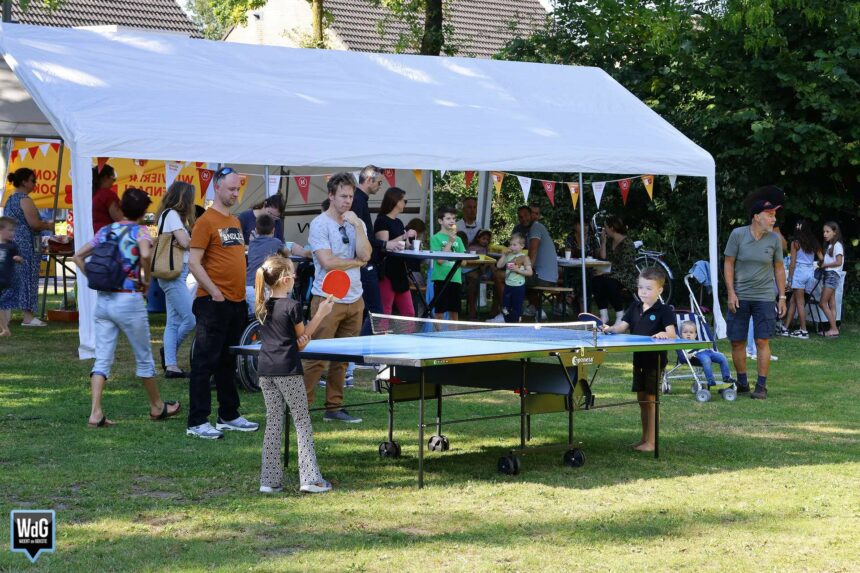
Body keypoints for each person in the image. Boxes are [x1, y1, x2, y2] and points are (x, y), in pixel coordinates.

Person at [71, 188, 181, 427]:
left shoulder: (106, 230)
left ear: (120, 207)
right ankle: (156, 407)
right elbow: (144, 253)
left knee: (102, 359)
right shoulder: (140, 231)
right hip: (129, 302)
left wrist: (92, 276)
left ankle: (96, 412)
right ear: (143, 212)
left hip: (103, 301)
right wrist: (145, 278)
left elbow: (77, 256)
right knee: (144, 358)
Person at [187, 166, 259, 439]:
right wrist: (214, 291)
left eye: (237, 188)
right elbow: (194, 262)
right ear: (216, 187)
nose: (235, 193)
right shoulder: (205, 222)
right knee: (205, 361)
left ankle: (228, 413)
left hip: (236, 301)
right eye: (230, 188)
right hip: (213, 302)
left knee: (228, 361)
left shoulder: (235, 222)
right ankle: (197, 420)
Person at [254, 254, 335, 494]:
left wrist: (300, 340)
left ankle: (269, 481)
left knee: (273, 423)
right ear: (286, 279)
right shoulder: (292, 306)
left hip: (265, 370)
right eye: (293, 272)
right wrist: (321, 313)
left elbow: (296, 341)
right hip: (288, 370)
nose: (296, 276)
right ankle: (310, 479)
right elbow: (304, 339)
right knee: (301, 421)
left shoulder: (261, 305)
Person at [302, 172, 372, 423]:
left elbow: (367, 254)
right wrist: (355, 262)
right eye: (342, 196)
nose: (347, 201)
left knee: (343, 359)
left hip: (355, 298)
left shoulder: (357, 222)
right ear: (331, 195)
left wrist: (357, 226)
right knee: (316, 357)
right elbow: (327, 262)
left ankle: (334, 407)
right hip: (327, 299)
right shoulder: (320, 224)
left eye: (351, 196)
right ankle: (304, 408)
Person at [604, 267, 676, 452]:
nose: (643, 291)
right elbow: (622, 327)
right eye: (641, 287)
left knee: (651, 401)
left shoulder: (664, 310)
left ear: (659, 290)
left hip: (655, 361)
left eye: (648, 288)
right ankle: (644, 439)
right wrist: (609, 328)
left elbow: (672, 333)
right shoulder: (634, 307)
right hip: (639, 360)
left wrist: (662, 334)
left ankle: (651, 443)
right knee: (642, 401)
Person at [724, 199, 786, 400]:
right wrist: (731, 292)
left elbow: (779, 267)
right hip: (740, 296)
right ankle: (742, 383)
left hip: (765, 297)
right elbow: (728, 263)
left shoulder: (774, 239)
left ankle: (761, 386)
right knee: (737, 341)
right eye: (769, 215)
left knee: (761, 340)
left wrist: (782, 296)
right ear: (756, 216)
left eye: (774, 215)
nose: (773, 219)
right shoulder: (738, 234)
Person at [0, 168, 54, 327]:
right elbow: (35, 224)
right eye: (32, 180)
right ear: (24, 181)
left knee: (12, 278)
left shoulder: (10, 199)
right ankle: (28, 316)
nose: (34, 184)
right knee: (28, 277)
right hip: (25, 244)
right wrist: (48, 225)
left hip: (13, 242)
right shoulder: (25, 199)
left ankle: (6, 316)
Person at [154, 181, 197, 378]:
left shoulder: (170, 216)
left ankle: (171, 365)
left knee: (173, 322)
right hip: (174, 274)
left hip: (176, 274)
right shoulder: (171, 215)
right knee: (191, 317)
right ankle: (168, 353)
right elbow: (185, 242)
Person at [352, 165, 400, 336]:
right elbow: (359, 235)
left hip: (364, 261)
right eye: (379, 182)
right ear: (369, 179)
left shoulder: (360, 199)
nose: (380, 186)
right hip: (364, 263)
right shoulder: (357, 200)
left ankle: (360, 351)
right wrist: (384, 245)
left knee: (369, 311)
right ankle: (362, 350)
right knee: (376, 312)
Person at [374, 187, 418, 317]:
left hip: (400, 270)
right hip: (387, 270)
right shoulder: (382, 220)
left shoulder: (398, 222)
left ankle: (405, 337)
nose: (405, 203)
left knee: (409, 312)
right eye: (404, 200)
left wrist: (411, 242)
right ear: (396, 201)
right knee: (385, 311)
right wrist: (404, 237)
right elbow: (384, 245)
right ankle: (381, 336)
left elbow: (402, 245)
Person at [777, 220, 821, 339]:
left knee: (800, 303)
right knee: (793, 301)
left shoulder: (795, 243)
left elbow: (792, 264)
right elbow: (821, 258)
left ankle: (803, 330)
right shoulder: (814, 242)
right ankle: (785, 328)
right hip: (810, 273)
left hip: (799, 273)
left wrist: (790, 280)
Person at [592, 215, 638, 326]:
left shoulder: (627, 243)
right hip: (611, 273)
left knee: (610, 282)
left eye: (605, 227)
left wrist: (606, 272)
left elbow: (626, 265)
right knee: (596, 280)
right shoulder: (609, 241)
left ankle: (620, 315)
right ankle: (604, 315)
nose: (604, 229)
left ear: (612, 228)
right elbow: (603, 258)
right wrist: (603, 242)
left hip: (626, 275)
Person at [245, 213, 289, 313]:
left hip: (248, 286)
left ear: (256, 230)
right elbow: (287, 252)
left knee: (254, 318)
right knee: (267, 317)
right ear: (273, 230)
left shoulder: (252, 244)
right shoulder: (276, 242)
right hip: (263, 287)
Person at [429, 205, 466, 320]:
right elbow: (439, 260)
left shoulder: (458, 239)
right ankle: (437, 336)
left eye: (454, 219)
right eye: (448, 218)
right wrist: (450, 242)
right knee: (439, 312)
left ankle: (452, 337)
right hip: (441, 279)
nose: (452, 221)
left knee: (454, 313)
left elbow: (464, 262)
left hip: (455, 279)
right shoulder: (435, 238)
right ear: (440, 221)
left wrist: (457, 253)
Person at [679, 320, 736, 387]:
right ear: (681, 334)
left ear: (695, 335)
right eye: (685, 332)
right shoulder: (681, 343)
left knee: (722, 357)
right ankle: (710, 380)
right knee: (706, 360)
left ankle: (726, 377)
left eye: (691, 332)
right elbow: (683, 354)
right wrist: (687, 355)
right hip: (698, 355)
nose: (688, 334)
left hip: (708, 351)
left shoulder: (697, 341)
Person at [491, 233, 533, 323]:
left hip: (518, 286)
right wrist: (504, 255)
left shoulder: (524, 258)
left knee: (516, 308)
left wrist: (518, 270)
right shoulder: (508, 256)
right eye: (510, 244)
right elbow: (498, 265)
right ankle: (507, 322)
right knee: (505, 307)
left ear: (522, 246)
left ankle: (515, 323)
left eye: (514, 245)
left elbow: (530, 272)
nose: (512, 247)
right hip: (508, 285)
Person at [818, 221, 844, 338]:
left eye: (828, 231)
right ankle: (833, 329)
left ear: (835, 232)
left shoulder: (837, 245)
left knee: (822, 303)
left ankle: (833, 329)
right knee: (831, 303)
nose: (825, 234)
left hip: (832, 275)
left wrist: (825, 265)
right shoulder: (830, 246)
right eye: (824, 231)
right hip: (830, 275)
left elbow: (839, 262)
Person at [0, 216, 24, 336]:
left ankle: (5, 328)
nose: (12, 233)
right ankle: (4, 329)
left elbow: (20, 258)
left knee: (3, 304)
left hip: (5, 279)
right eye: (9, 230)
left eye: (13, 230)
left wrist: (18, 259)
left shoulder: (12, 246)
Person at [464, 229, 493, 319]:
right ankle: (472, 308)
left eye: (487, 240)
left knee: (474, 281)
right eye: (483, 239)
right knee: (473, 280)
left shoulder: (486, 249)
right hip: (468, 269)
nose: (485, 241)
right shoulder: (472, 248)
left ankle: (473, 307)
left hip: (479, 271)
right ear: (478, 238)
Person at [91, 164, 123, 232]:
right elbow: (119, 218)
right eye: (113, 178)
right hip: (106, 234)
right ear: (105, 178)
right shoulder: (107, 194)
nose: (113, 182)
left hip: (93, 233)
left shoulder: (92, 194)